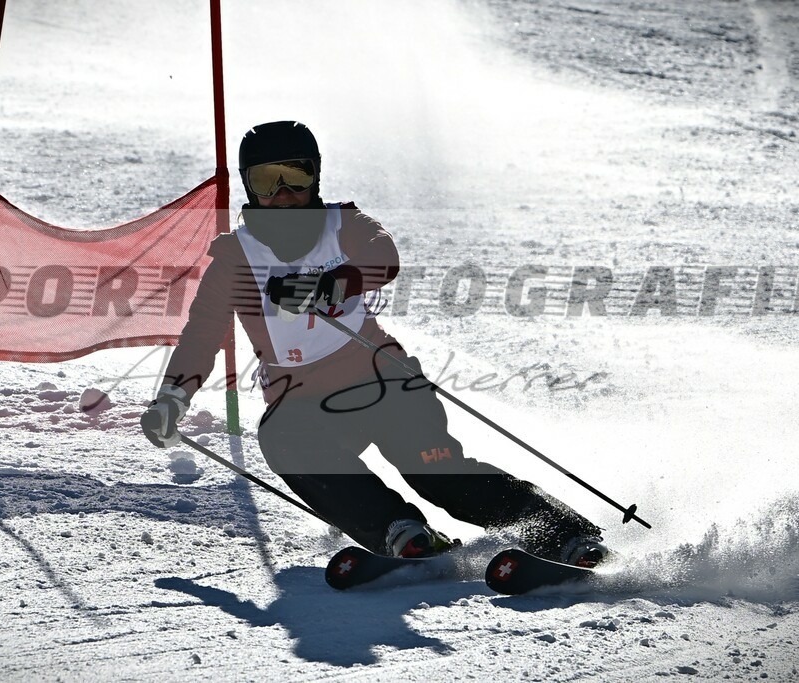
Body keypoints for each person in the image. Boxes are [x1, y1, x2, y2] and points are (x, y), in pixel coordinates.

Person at [141, 120, 607, 565]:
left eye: (296, 176)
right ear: (248, 186)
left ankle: (564, 534)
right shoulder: (235, 260)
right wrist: (173, 398)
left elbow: (384, 257)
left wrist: (333, 283)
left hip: (386, 384)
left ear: (316, 175)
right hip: (304, 404)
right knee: (283, 439)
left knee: (435, 473)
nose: (283, 193)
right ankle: (399, 530)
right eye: (267, 180)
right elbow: (202, 333)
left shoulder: (343, 225)